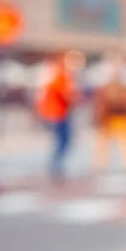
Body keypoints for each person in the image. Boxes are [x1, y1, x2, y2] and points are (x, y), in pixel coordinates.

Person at [94, 59, 126, 171]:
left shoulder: (124, 88)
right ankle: (100, 163)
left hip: (121, 116)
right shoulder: (106, 88)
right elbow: (100, 103)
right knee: (104, 143)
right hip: (109, 117)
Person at [36, 54, 76, 184]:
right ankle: (55, 165)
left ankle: (56, 164)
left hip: (56, 113)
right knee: (62, 140)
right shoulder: (58, 76)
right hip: (57, 113)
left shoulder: (54, 76)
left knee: (62, 141)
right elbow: (64, 93)